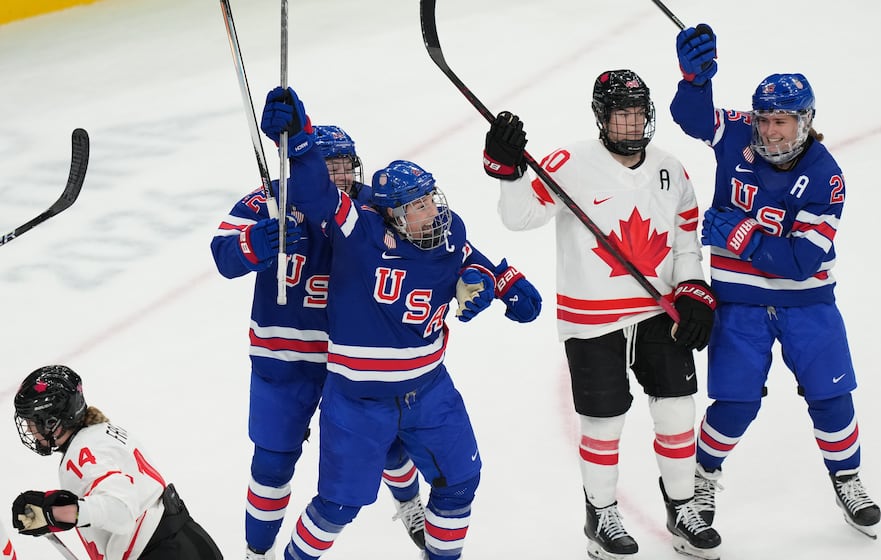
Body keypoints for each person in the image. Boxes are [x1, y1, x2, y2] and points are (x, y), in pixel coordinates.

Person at [258, 86, 543, 560]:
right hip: (358, 400)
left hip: (431, 392)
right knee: (338, 506)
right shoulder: (360, 231)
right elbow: (316, 194)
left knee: (460, 482)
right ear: (392, 216)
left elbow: (469, 257)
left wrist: (503, 283)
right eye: (417, 206)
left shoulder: (448, 230)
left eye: (431, 198)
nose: (432, 212)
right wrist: (300, 141)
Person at [481, 69, 720, 560]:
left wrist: (694, 286)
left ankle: (682, 506)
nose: (632, 125)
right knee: (604, 420)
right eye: (621, 114)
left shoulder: (671, 168)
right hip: (590, 318)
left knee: (677, 410)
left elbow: (685, 239)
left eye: (638, 114)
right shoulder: (568, 163)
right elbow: (519, 217)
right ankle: (602, 513)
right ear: (602, 118)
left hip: (659, 311)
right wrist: (510, 171)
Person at [669, 25, 881, 541]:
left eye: (781, 122)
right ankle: (703, 478)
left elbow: (800, 262)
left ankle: (847, 478)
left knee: (832, 398)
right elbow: (692, 119)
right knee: (735, 402)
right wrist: (695, 82)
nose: (769, 132)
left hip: (807, 306)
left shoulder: (826, 175)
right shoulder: (739, 132)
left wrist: (739, 233)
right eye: (764, 120)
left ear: (804, 122)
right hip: (739, 304)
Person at [211, 124, 429, 559]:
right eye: (331, 167)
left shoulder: (370, 205)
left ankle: (409, 504)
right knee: (272, 462)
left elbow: (427, 245)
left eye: (347, 166)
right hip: (283, 358)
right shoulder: (267, 200)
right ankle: (258, 552)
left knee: (388, 442)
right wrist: (258, 242)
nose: (342, 176)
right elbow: (223, 254)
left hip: (351, 359)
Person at [11, 365, 224, 559]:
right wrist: (59, 515)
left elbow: (121, 512)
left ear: (53, 422)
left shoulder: (82, 454)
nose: (29, 429)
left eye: (31, 422)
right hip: (184, 541)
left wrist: (56, 513)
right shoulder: (101, 433)